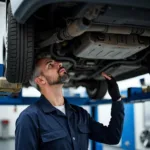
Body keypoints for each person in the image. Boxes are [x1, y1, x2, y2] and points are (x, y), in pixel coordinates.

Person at [15, 52, 124, 150]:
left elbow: (112, 137)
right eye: (50, 65)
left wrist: (116, 98)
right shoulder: (29, 118)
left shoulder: (80, 114)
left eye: (57, 62)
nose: (59, 63)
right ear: (40, 80)